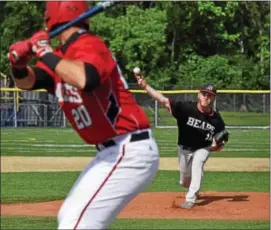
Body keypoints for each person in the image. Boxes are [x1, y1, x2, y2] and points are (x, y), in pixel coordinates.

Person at [8, 1, 159, 229]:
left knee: (75, 224)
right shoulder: (60, 56)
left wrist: (42, 50)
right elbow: (28, 82)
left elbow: (85, 79)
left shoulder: (89, 44)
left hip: (129, 149)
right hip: (110, 152)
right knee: (69, 215)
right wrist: (18, 64)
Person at [134, 72, 229, 209]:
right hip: (184, 148)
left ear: (213, 98)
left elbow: (222, 139)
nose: (206, 97)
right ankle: (191, 188)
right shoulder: (186, 108)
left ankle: (190, 199)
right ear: (198, 94)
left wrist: (216, 147)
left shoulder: (216, 119)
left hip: (203, 147)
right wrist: (146, 87)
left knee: (198, 164)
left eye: (210, 95)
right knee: (184, 181)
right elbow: (163, 100)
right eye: (204, 94)